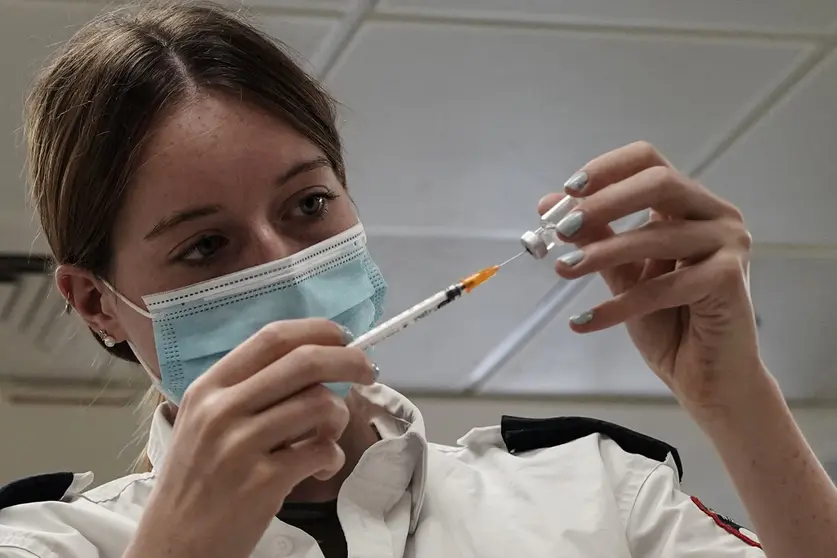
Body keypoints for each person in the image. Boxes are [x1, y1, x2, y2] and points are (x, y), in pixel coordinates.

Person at [0, 3, 835, 557]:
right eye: (205, 246)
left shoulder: (593, 493)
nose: (283, 265)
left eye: (307, 204)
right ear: (94, 303)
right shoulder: (45, 544)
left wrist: (738, 402)